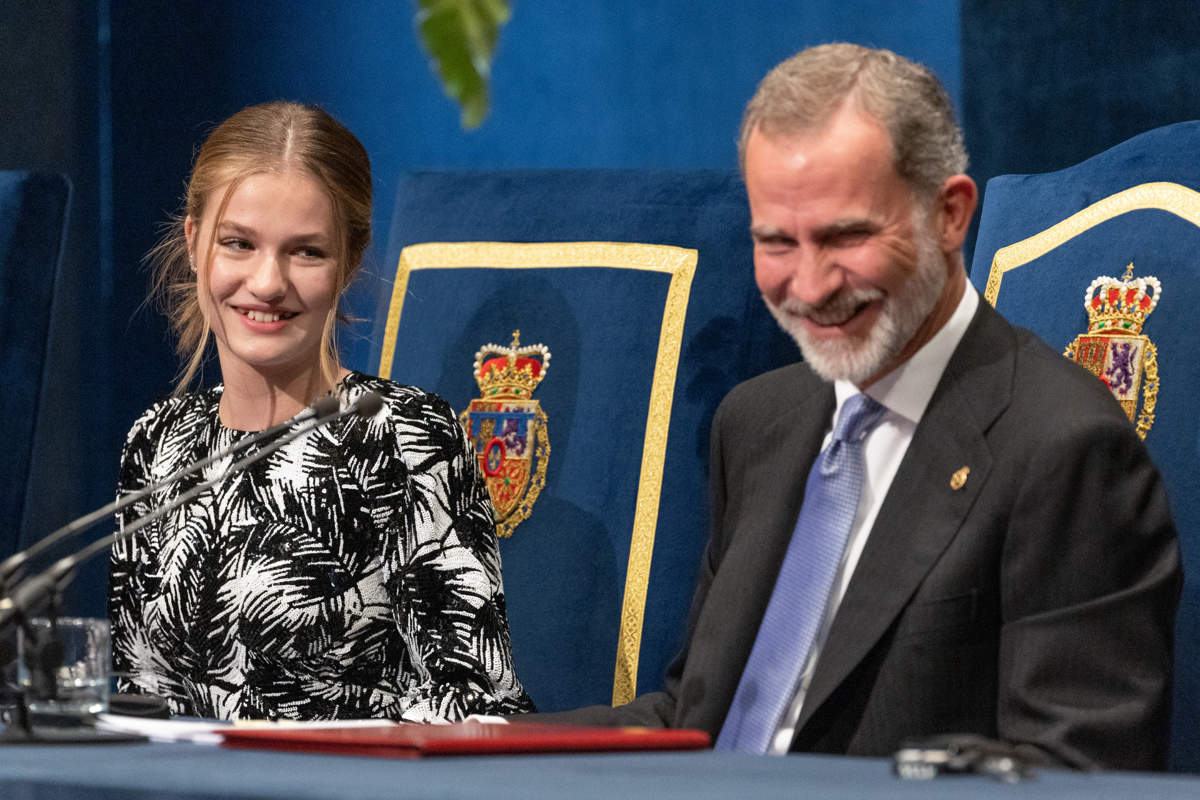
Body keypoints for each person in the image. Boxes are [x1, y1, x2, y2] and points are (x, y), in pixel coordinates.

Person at [534, 44, 1181, 770]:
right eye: (777, 242)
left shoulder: (1064, 446)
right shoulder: (756, 421)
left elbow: (1072, 777)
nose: (809, 287)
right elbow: (699, 719)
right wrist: (467, 746)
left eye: (847, 236)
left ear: (950, 213)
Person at [109, 101, 534, 722]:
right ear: (194, 241)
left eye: (306, 252)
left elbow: (478, 707)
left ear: (349, 263)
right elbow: (136, 697)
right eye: (238, 244)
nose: (267, 282)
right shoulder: (156, 444)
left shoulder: (405, 438)